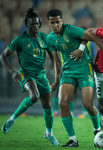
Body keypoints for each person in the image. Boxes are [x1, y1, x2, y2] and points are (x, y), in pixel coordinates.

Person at [46, 9, 103, 147]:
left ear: (62, 21)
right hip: (68, 71)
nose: (55, 25)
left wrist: (83, 48)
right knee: (62, 103)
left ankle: (97, 130)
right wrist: (56, 80)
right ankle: (73, 139)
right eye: (52, 23)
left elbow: (93, 37)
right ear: (49, 23)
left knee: (87, 104)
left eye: (58, 22)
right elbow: (56, 61)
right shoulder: (50, 39)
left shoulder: (71, 30)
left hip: (85, 68)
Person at [0, 8, 60, 145]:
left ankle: (49, 133)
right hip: (26, 74)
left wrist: (53, 72)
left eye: (37, 23)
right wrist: (12, 72)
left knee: (47, 105)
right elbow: (3, 55)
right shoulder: (20, 40)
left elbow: (54, 58)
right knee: (34, 96)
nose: (36, 26)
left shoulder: (45, 38)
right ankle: (12, 119)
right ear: (27, 25)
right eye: (32, 24)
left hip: (41, 75)